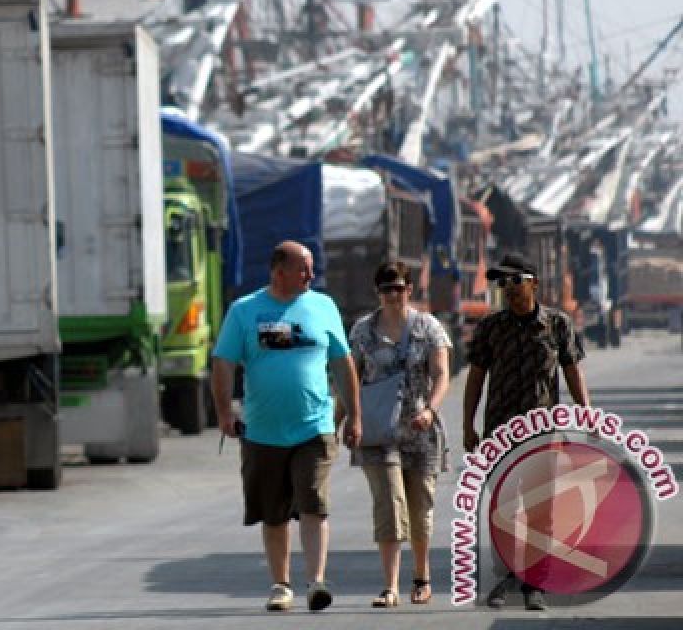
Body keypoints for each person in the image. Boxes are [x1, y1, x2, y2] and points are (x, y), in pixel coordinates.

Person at [211, 241, 361, 613]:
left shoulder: (323, 307)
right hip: (263, 431)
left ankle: (316, 582)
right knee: (274, 512)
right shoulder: (245, 311)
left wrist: (355, 416)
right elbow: (223, 363)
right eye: (303, 269)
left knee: (314, 503)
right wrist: (224, 411)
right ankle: (281, 585)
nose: (311, 275)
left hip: (315, 427)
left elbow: (343, 364)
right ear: (278, 272)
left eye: (311, 268)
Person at [462, 252, 590, 612]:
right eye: (502, 284)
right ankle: (506, 578)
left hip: (542, 433)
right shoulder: (490, 327)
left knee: (541, 512)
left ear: (533, 283)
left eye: (515, 281)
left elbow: (571, 371)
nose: (509, 290)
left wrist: (587, 414)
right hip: (499, 434)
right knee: (504, 508)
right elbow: (475, 377)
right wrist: (467, 425)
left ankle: (535, 582)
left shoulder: (557, 325)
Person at [344, 261, 451, 608]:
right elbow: (350, 379)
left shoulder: (429, 328)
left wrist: (430, 410)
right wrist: (342, 419)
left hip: (420, 430)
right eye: (387, 289)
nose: (393, 295)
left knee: (420, 510)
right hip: (378, 431)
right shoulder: (363, 331)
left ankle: (421, 577)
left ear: (410, 290)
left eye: (399, 288)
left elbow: (441, 374)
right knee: (390, 504)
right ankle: (389, 586)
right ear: (378, 292)